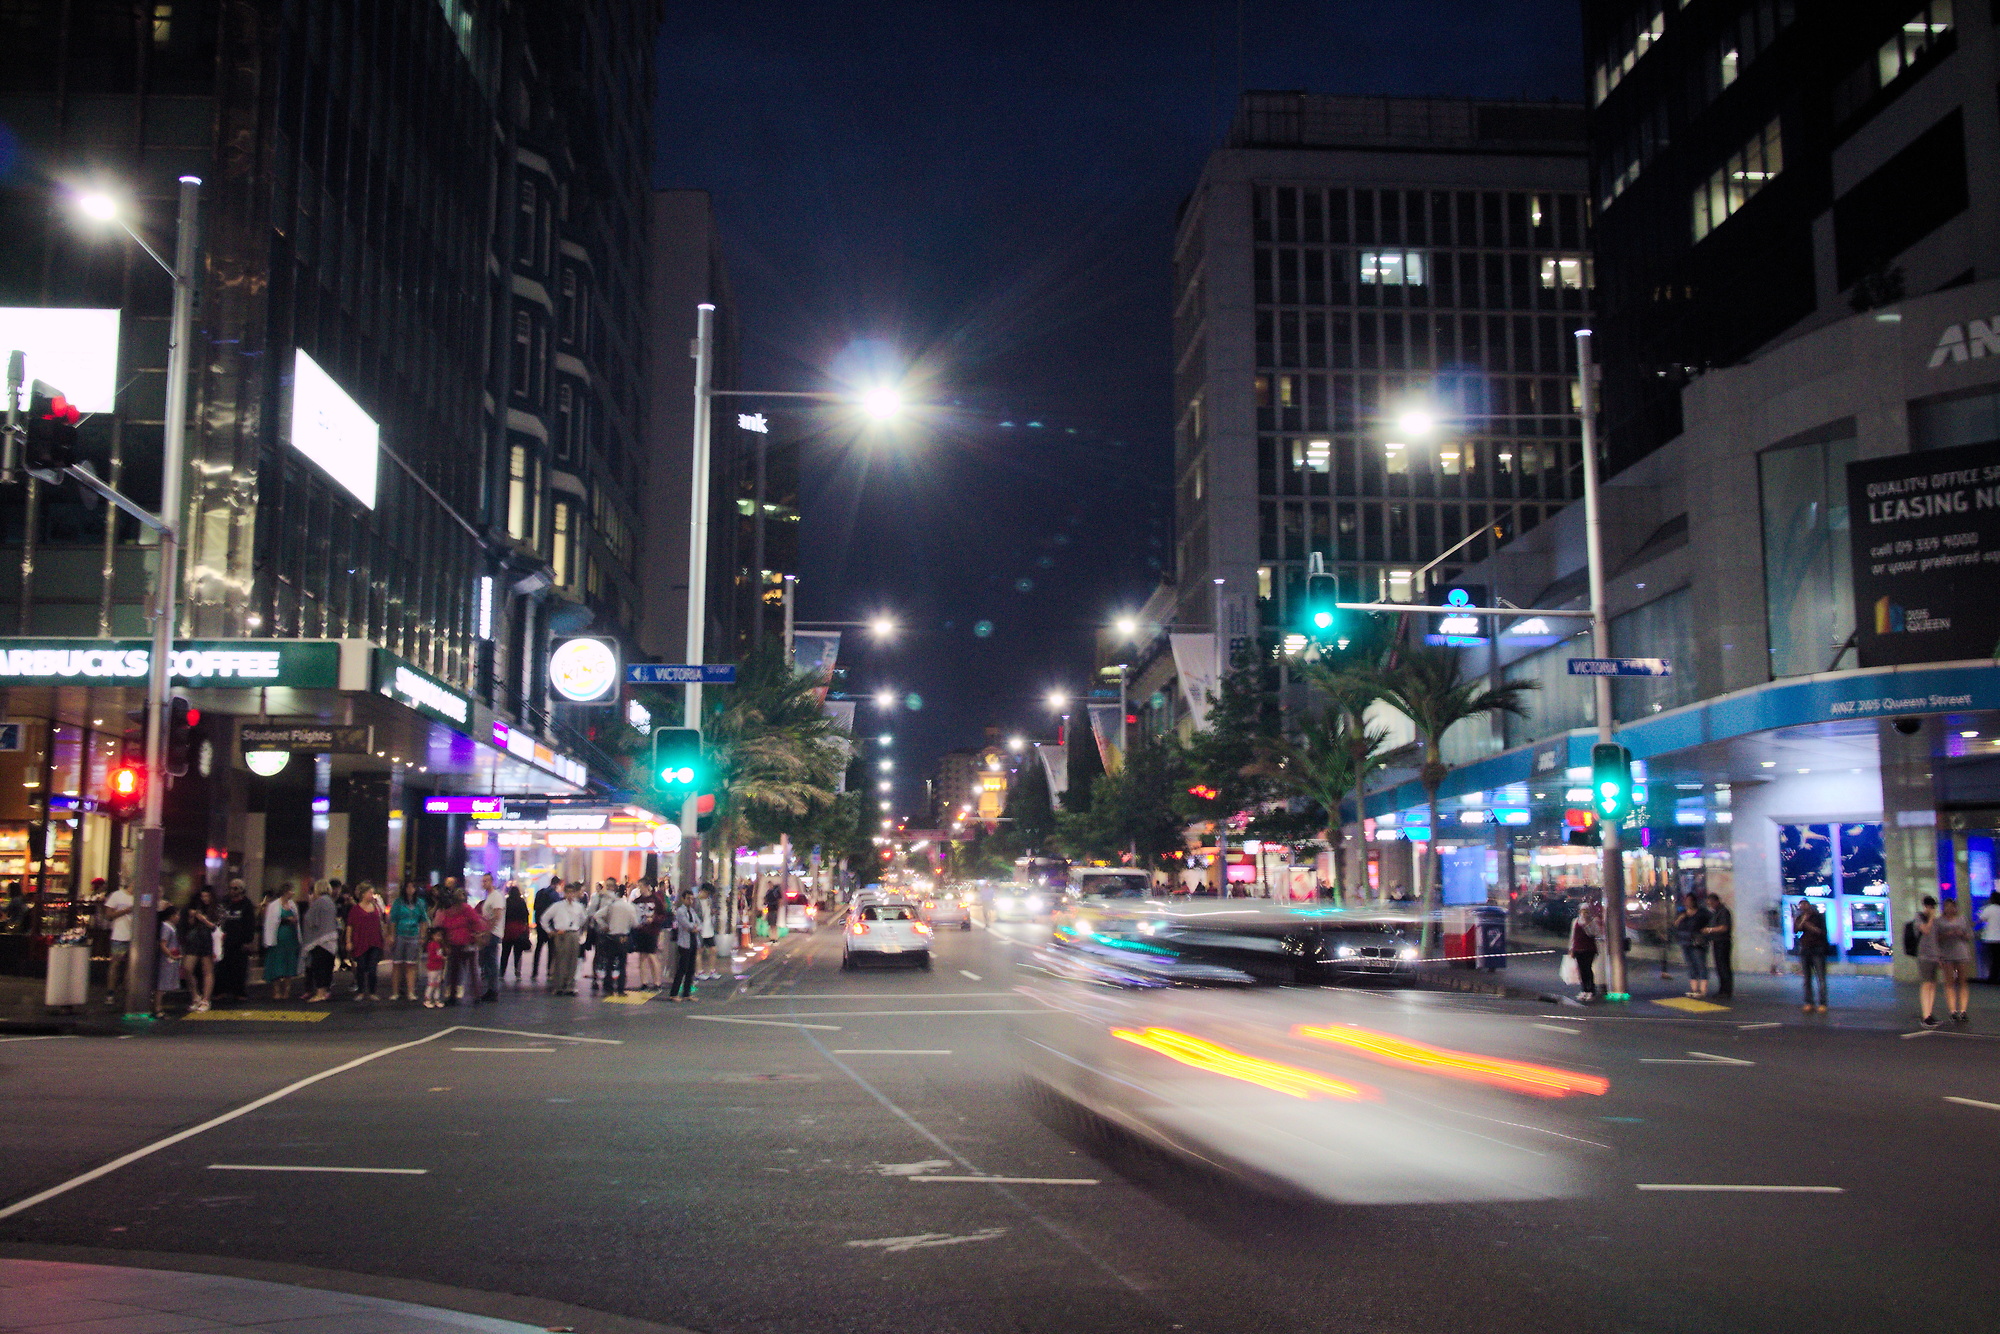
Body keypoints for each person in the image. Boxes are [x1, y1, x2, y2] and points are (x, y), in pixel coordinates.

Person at [434, 889, 485, 1005]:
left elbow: (445, 927)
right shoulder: (464, 909)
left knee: (458, 971)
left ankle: (462, 996)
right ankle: (472, 996)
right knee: (463, 971)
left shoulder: (453, 911)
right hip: (462, 943)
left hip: (462, 943)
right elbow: (476, 922)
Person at [1931, 897, 1976, 1026]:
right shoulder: (1939, 921)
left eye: (1952, 906)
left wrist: (1961, 934)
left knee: (1962, 981)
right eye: (1947, 906)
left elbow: (1970, 935)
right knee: (1949, 982)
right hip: (1946, 954)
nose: (1950, 909)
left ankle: (1963, 1010)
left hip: (1961, 952)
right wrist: (1946, 935)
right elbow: (1935, 938)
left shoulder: (1962, 919)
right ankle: (1952, 1011)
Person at [541, 884, 587, 995]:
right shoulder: (558, 906)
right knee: (561, 960)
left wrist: (578, 930)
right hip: (561, 934)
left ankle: (570, 985)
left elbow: (583, 919)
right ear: (564, 893)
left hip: (574, 934)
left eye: (572, 892)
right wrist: (550, 931)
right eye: (568, 892)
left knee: (573, 960)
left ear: (575, 893)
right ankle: (559, 985)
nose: (570, 895)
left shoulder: (578, 906)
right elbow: (544, 918)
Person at [215, 880, 257, 1002]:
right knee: (222, 968)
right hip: (224, 941)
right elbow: (218, 919)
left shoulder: (247, 904)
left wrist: (248, 940)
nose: (233, 891)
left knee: (239, 968)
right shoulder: (224, 902)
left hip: (240, 942)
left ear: (241, 890)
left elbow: (250, 923)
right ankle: (221, 991)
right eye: (231, 888)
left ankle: (239, 992)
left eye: (236, 889)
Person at [299, 881, 341, 1002]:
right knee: (327, 967)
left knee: (318, 967)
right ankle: (324, 992)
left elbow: (311, 921)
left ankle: (319, 993)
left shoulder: (319, 903)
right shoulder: (331, 902)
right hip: (332, 939)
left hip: (320, 940)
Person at [346, 883, 388, 1001]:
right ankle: (360, 991)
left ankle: (372, 991)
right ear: (363, 894)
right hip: (360, 941)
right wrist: (348, 941)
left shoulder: (376, 907)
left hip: (375, 941)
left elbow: (382, 921)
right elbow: (350, 926)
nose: (372, 895)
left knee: (373, 968)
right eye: (370, 892)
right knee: (361, 967)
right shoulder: (355, 909)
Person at [593, 883, 635, 996]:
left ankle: (608, 988)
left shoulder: (611, 906)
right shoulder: (630, 907)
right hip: (623, 937)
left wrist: (604, 926)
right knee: (622, 964)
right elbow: (635, 923)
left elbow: (597, 915)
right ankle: (621, 989)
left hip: (611, 937)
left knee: (609, 963)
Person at [181, 888, 219, 1013]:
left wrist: (204, 919)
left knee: (207, 970)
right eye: (203, 896)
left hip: (208, 939)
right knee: (187, 968)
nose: (205, 899)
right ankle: (195, 995)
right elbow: (189, 924)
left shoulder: (216, 909)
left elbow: (216, 926)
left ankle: (206, 999)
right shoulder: (197, 908)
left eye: (207, 896)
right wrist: (193, 916)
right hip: (195, 938)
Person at [387, 883, 427, 1001]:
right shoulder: (398, 903)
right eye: (408, 887)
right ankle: (395, 992)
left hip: (413, 935)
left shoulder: (420, 903)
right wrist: (392, 935)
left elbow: (423, 920)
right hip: (400, 934)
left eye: (413, 887)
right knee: (397, 964)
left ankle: (411, 992)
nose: (410, 889)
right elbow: (393, 920)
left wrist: (422, 936)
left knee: (411, 964)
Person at [262, 887, 301, 999]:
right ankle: (277, 990)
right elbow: (271, 922)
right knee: (276, 963)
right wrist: (285, 920)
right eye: (291, 890)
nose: (293, 893)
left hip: (290, 938)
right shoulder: (274, 905)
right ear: (285, 892)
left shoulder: (293, 905)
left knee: (289, 964)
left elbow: (297, 920)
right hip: (278, 938)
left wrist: (293, 921)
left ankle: (287, 991)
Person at [1794, 898, 1831, 1013]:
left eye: (1805, 904)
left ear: (1809, 905)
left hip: (1817, 949)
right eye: (1801, 905)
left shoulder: (1818, 917)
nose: (1803, 907)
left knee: (1820, 977)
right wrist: (1802, 921)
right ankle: (1808, 1002)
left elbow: (1822, 932)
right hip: (1805, 950)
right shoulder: (1800, 918)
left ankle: (1822, 1003)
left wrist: (1808, 925)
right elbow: (1796, 930)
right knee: (1806, 978)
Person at [101, 879, 135, 1003]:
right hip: (120, 935)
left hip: (135, 937)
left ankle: (127, 992)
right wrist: (125, 911)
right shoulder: (117, 896)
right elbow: (108, 915)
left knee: (131, 966)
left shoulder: (139, 897)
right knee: (115, 964)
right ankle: (110, 993)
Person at [1910, 894, 1940, 1024]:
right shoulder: (1919, 918)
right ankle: (1925, 1014)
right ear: (1925, 906)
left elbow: (1937, 939)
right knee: (1926, 984)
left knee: (1933, 984)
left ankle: (1930, 1013)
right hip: (1924, 956)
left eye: (1933, 906)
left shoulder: (1936, 921)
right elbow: (1926, 930)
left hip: (1934, 955)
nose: (1932, 909)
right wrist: (1931, 917)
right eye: (1929, 906)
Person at [474, 873, 504, 1002]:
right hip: (489, 932)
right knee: (487, 962)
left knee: (491, 962)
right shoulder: (490, 897)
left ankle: (493, 990)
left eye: (486, 881)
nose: (484, 883)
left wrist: (487, 930)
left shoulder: (496, 896)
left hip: (492, 933)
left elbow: (497, 915)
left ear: (492, 882)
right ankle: (491, 989)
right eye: (483, 881)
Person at [1674, 891, 1710, 999]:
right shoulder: (1682, 913)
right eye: (1686, 901)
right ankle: (1694, 989)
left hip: (1697, 943)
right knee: (1690, 965)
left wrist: (1706, 932)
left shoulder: (1702, 913)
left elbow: (1708, 923)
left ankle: (1702, 990)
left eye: (1689, 901)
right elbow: (1675, 924)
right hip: (1685, 942)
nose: (1687, 903)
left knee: (1700, 964)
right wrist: (1681, 917)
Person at [629, 881, 664, 990]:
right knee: (642, 956)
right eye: (639, 886)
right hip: (640, 931)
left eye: (641, 886)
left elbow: (663, 914)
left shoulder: (656, 900)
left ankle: (657, 982)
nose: (640, 889)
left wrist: (654, 919)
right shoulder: (636, 901)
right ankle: (644, 982)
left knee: (652, 955)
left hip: (652, 931)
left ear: (647, 887)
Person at [668, 888, 700, 1001]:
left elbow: (698, 923)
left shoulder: (691, 911)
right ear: (683, 899)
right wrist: (693, 927)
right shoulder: (681, 911)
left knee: (691, 969)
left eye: (692, 899)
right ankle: (674, 993)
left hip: (693, 942)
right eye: (688, 898)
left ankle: (687, 993)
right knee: (682, 969)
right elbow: (686, 925)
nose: (690, 901)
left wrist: (695, 927)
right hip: (684, 943)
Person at [1701, 892, 1734, 999]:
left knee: (1723, 966)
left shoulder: (1723, 912)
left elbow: (1724, 927)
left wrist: (1710, 930)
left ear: (1716, 901)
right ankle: (1723, 989)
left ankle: (1726, 990)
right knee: (1720, 967)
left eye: (1711, 903)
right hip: (1717, 941)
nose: (1710, 906)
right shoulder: (1716, 912)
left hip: (1722, 942)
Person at [530, 876, 562, 981]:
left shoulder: (540, 892)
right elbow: (557, 911)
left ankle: (534, 972)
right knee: (551, 949)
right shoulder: (555, 895)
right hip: (551, 926)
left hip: (540, 924)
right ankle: (549, 971)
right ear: (557, 884)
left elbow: (535, 907)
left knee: (538, 948)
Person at [154, 903, 183, 1016]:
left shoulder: (169, 927)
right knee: (162, 985)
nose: (179, 917)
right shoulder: (167, 928)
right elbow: (163, 944)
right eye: (177, 915)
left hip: (169, 958)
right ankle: (157, 1008)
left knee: (164, 984)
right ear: (171, 916)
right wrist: (171, 955)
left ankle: (158, 1007)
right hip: (166, 960)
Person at [1568, 903, 1600, 1002]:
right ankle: (1584, 990)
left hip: (1589, 949)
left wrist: (1587, 924)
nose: (1584, 913)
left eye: (1586, 911)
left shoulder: (1593, 921)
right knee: (1581, 970)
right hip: (1578, 949)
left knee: (1588, 969)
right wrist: (1571, 948)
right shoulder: (1576, 921)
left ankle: (1591, 990)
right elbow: (1573, 936)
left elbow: (1593, 933)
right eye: (1583, 911)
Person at [500, 882, 531, 981]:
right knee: (518, 953)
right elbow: (526, 916)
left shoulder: (506, 902)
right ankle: (517, 972)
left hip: (508, 930)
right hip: (519, 930)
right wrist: (526, 928)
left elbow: (503, 916)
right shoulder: (521, 902)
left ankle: (502, 972)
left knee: (505, 952)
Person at [697, 881, 723, 980]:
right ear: (702, 891)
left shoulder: (709, 901)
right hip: (700, 929)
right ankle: (699, 972)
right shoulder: (696, 901)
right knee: (699, 950)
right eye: (707, 893)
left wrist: (713, 912)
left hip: (709, 929)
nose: (708, 895)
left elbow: (710, 913)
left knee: (713, 950)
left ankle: (712, 970)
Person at [422, 926, 448, 1007]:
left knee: (437, 984)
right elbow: (433, 956)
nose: (439, 937)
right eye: (437, 935)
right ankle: (428, 999)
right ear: (432, 936)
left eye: (440, 936)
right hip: (433, 967)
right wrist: (442, 958)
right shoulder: (432, 945)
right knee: (431, 984)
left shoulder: (438, 945)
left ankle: (436, 999)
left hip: (438, 967)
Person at [1980, 892, 2000, 985]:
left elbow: (1981, 919)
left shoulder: (1988, 909)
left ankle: (1992, 978)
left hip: (1990, 938)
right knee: (1997, 959)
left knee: (1993, 959)